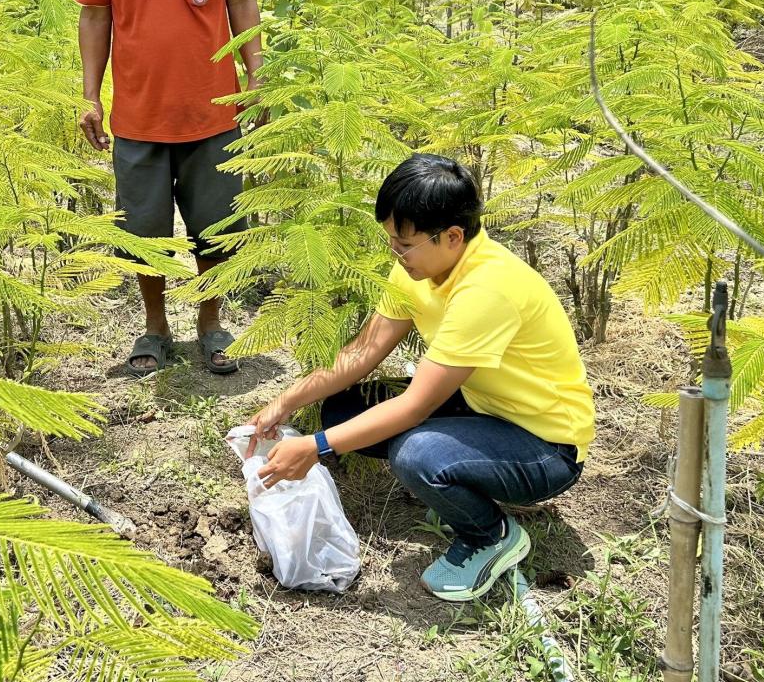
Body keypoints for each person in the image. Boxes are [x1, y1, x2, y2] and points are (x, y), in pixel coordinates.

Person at [246, 154, 595, 602]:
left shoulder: (488, 288)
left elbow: (416, 406)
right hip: (484, 408)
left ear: (452, 236)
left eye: (405, 243)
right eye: (392, 240)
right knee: (345, 409)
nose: (397, 252)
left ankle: (490, 535)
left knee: (415, 453)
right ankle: (458, 477)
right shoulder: (417, 266)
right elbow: (361, 353)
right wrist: (286, 402)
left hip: (546, 447)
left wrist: (316, 447)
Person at [73, 0, 263, 377]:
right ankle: (154, 327)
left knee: (217, 224)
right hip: (138, 115)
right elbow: (95, 14)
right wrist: (89, 96)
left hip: (214, 112)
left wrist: (257, 79)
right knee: (143, 232)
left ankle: (211, 323)